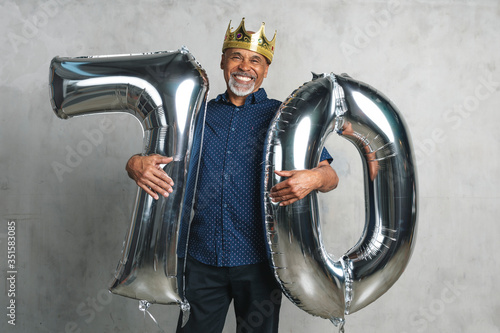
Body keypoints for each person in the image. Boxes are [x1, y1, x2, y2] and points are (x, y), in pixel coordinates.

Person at [125, 18, 339, 333]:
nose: (245, 66)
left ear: (266, 70)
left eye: (256, 60)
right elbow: (154, 158)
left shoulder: (284, 117)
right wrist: (134, 164)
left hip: (261, 262)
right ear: (223, 62)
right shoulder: (196, 116)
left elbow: (329, 176)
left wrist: (315, 179)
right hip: (200, 259)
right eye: (236, 57)